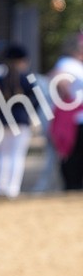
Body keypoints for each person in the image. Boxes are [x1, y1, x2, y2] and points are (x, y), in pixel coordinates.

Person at [0, 44, 34, 199]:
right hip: (21, 122)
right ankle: (13, 189)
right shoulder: (27, 79)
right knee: (17, 155)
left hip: (4, 122)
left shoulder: (0, 80)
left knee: (3, 155)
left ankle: (0, 187)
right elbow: (35, 102)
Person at [49, 31, 83, 191]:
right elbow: (58, 77)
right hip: (74, 119)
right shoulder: (68, 63)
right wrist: (67, 92)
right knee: (72, 155)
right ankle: (71, 186)